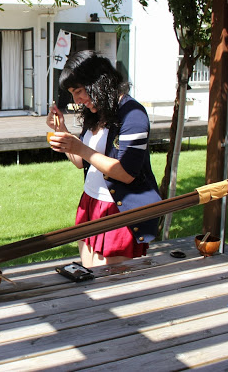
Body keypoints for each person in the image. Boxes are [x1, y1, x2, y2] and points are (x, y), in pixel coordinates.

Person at [47, 50, 161, 268]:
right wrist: (62, 131)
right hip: (91, 203)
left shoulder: (133, 114)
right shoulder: (97, 112)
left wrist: (80, 148)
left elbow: (126, 173)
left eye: (79, 91)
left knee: (110, 285)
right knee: (90, 275)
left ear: (98, 82)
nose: (76, 99)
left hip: (117, 210)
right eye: (73, 93)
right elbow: (82, 161)